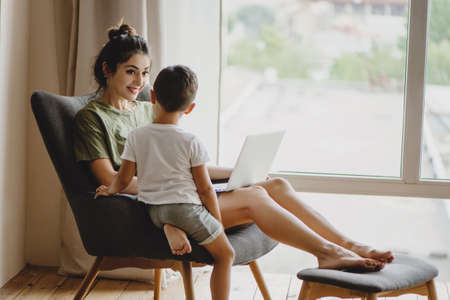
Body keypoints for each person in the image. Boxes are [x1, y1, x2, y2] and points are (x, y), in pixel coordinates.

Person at [73, 22, 393, 275]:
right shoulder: (91, 118)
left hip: (181, 194)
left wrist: (238, 172)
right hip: (154, 209)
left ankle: (348, 244)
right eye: (131, 71)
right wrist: (182, 186)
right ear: (107, 69)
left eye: (144, 73)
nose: (140, 82)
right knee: (254, 198)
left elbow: (183, 160)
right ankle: (329, 254)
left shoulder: (145, 108)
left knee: (274, 184)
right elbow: (114, 182)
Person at [94, 65, 234, 300]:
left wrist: (110, 190)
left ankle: (171, 227)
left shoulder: (137, 136)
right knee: (226, 255)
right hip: (186, 209)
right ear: (190, 108)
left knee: (170, 214)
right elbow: (205, 188)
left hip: (154, 211)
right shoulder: (191, 141)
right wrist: (217, 222)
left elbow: (124, 178)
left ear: (152, 97)